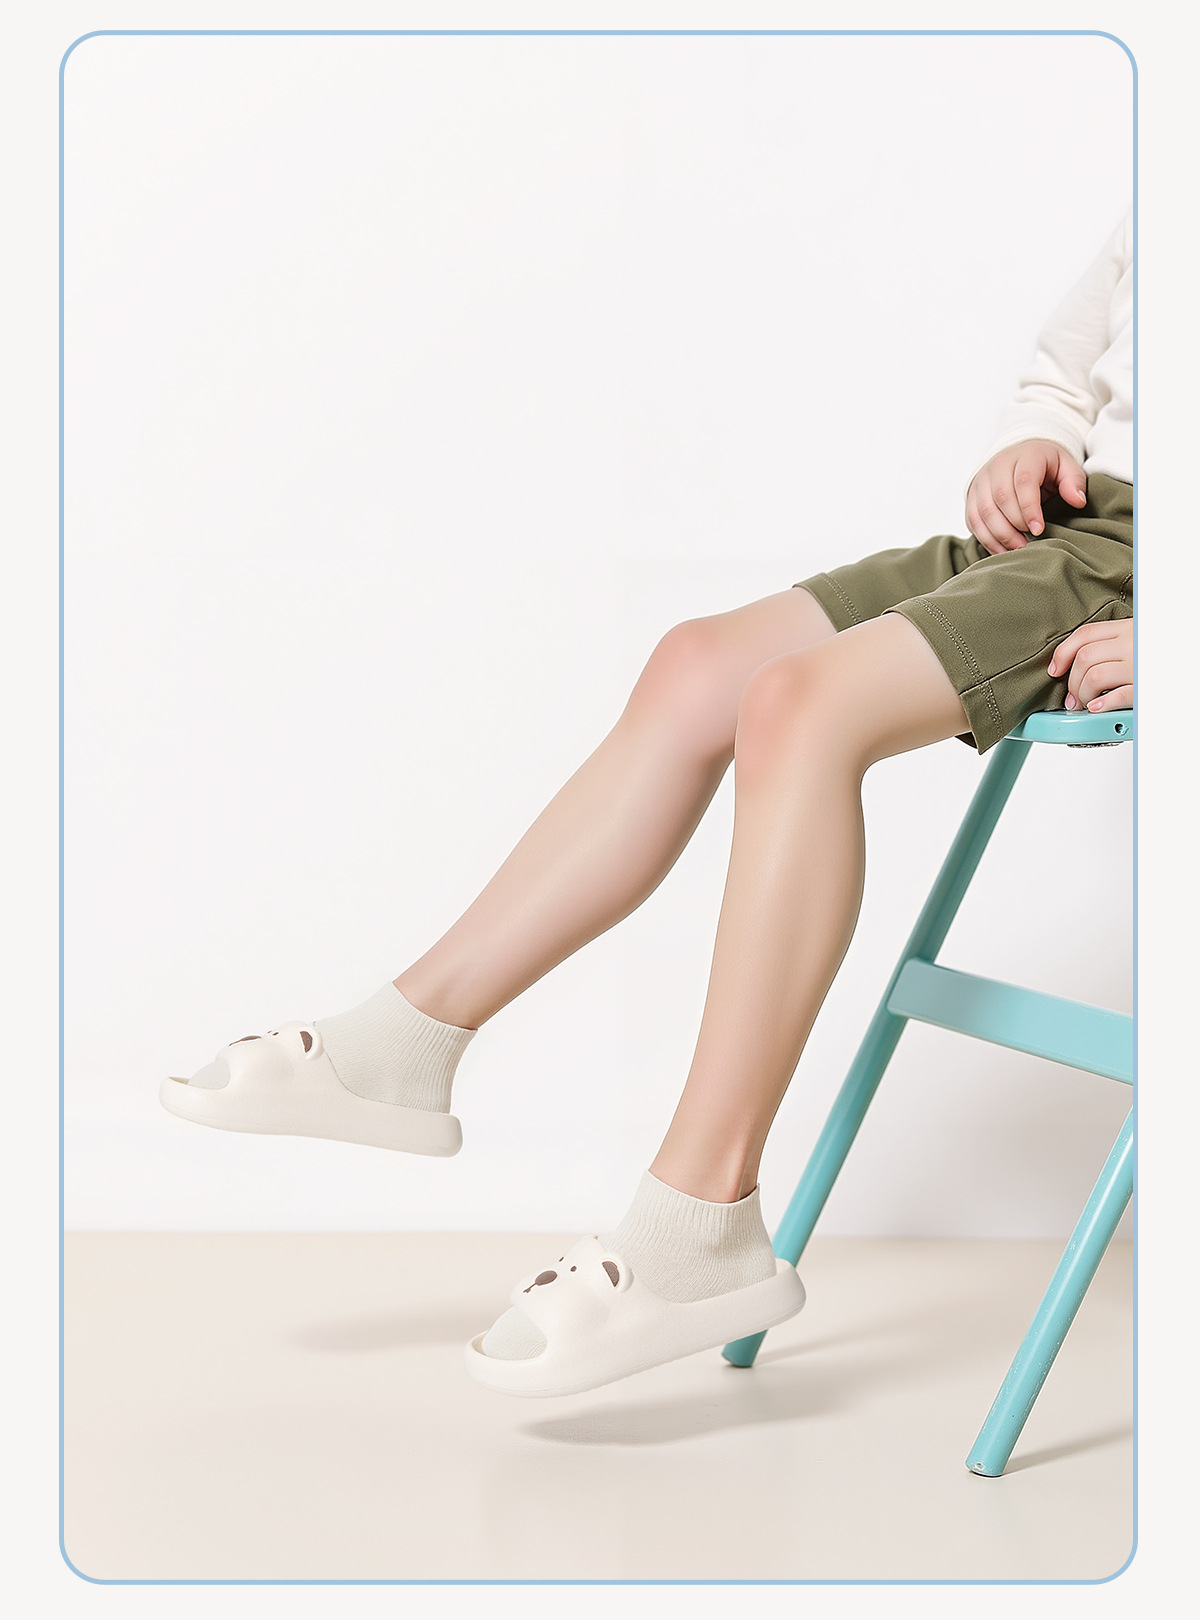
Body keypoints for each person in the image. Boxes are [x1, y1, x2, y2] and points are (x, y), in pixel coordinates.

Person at [161, 205, 1134, 1398]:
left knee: (801, 707)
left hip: (1145, 565)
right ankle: (403, 1044)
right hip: (1076, 525)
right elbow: (1073, 357)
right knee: (697, 666)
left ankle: (701, 1221)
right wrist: (1036, 433)